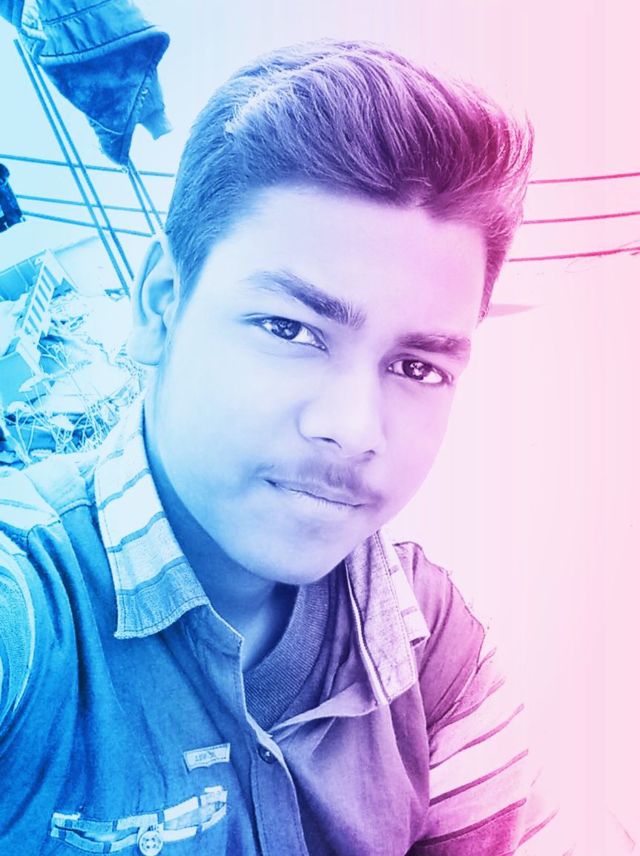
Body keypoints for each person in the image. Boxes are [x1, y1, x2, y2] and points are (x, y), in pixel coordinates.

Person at [0, 40, 570, 855]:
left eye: (417, 366)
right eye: (290, 329)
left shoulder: (428, 643)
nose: (355, 427)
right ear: (160, 306)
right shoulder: (31, 613)